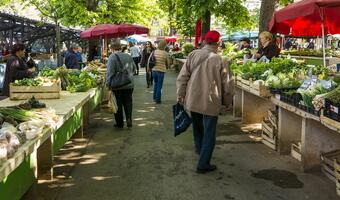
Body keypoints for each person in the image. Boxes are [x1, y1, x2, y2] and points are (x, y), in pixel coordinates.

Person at [176, 30, 234, 174]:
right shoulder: (221, 60)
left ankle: (200, 150)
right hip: (210, 101)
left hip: (193, 98)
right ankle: (203, 163)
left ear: (205, 41)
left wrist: (180, 94)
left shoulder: (193, 54)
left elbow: (183, 77)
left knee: (197, 127)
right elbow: (227, 85)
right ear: (218, 43)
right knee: (209, 132)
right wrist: (227, 102)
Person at [106, 40, 136, 128]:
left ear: (112, 48)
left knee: (117, 104)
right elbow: (134, 69)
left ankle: (119, 123)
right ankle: (129, 119)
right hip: (129, 83)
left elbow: (110, 73)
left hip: (117, 85)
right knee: (128, 102)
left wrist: (108, 84)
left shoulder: (112, 57)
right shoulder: (128, 56)